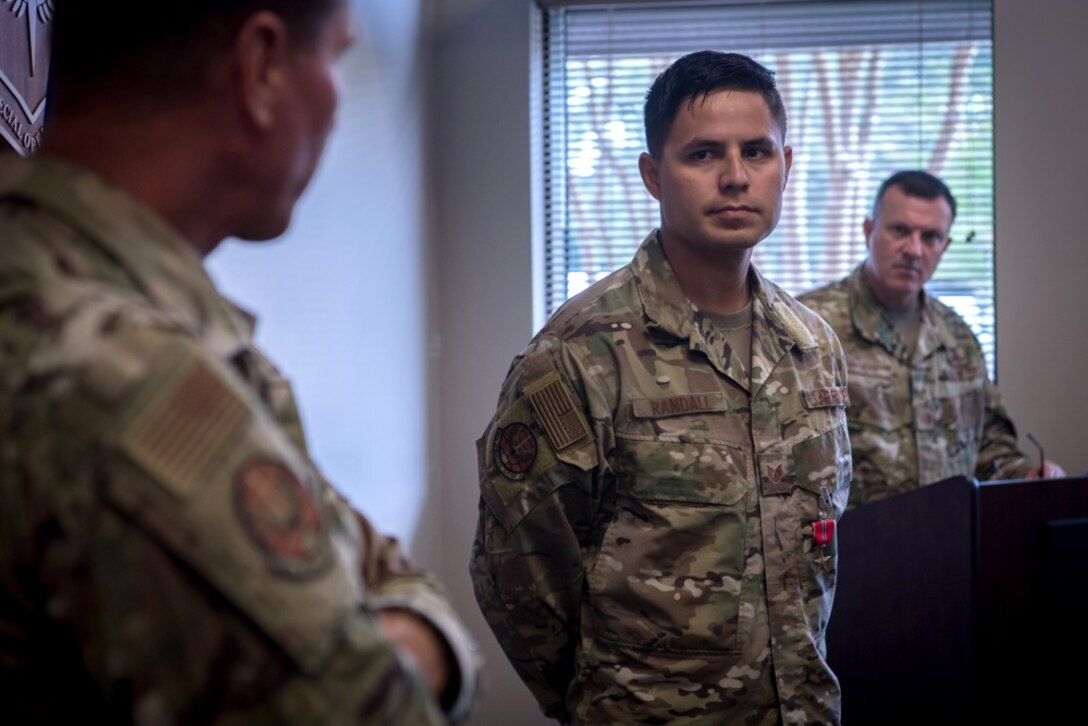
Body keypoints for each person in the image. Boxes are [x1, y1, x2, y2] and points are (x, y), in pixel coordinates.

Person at [0, 1, 478, 722]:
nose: (338, 105)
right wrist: (431, 642)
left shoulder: (61, 288)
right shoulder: (124, 380)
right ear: (260, 68)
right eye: (336, 57)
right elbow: (373, 707)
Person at [471, 51, 852, 724]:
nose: (735, 177)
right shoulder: (581, 352)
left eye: (756, 151)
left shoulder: (812, 347)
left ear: (786, 166)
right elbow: (519, 573)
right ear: (653, 175)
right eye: (703, 154)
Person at [799, 170, 1065, 509]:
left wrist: (1027, 477)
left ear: (945, 246)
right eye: (899, 230)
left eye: (931, 237)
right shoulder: (809, 328)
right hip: (853, 537)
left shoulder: (958, 337)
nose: (914, 250)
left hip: (950, 535)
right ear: (869, 231)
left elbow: (989, 447)